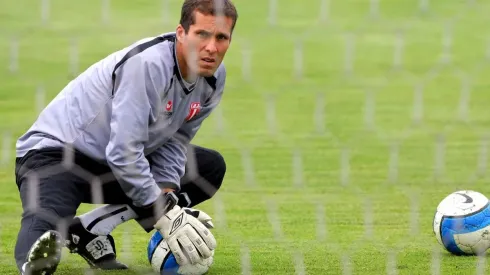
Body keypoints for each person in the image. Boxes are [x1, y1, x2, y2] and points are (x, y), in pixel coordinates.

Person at [13, 0, 238, 273]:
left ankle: (89, 229)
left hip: (117, 163)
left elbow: (176, 140)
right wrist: (162, 212)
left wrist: (167, 195)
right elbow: (123, 152)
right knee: (47, 217)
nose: (211, 47)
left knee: (208, 167)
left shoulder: (213, 77)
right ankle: (32, 265)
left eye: (221, 37)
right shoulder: (147, 65)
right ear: (181, 33)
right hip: (57, 154)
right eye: (202, 34)